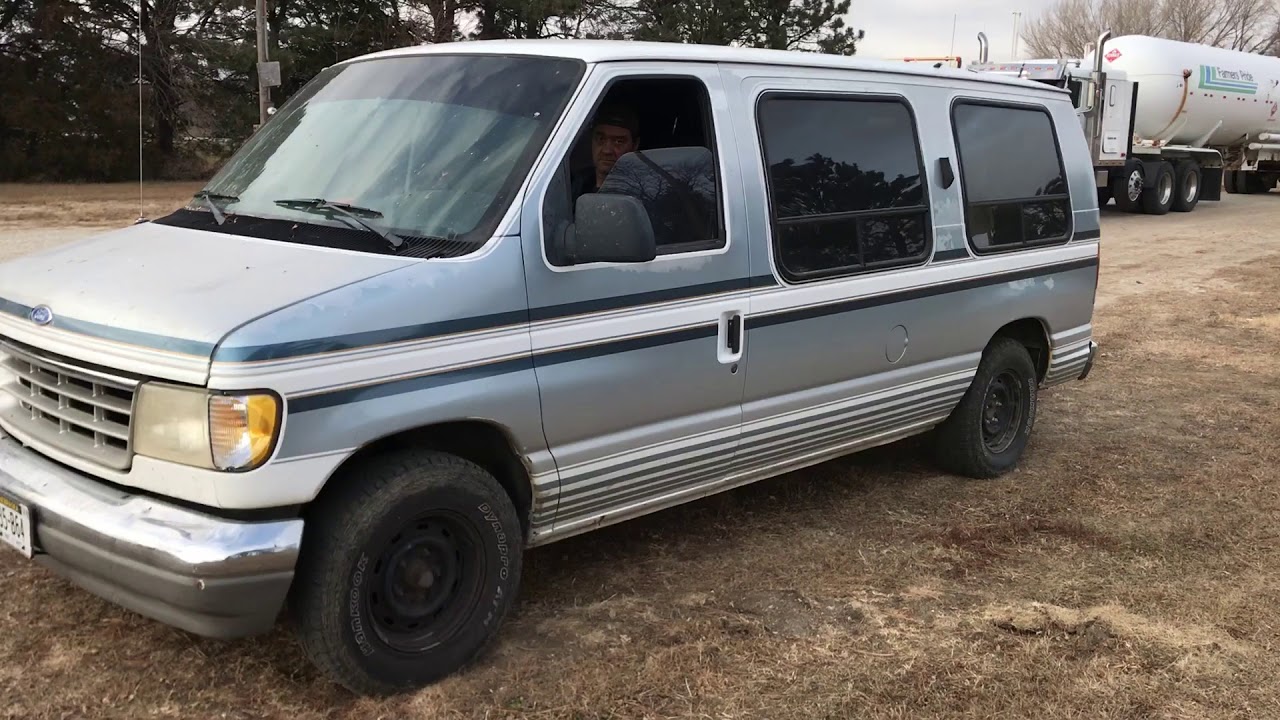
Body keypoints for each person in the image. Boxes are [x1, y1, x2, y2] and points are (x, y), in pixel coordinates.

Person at [574, 104, 640, 200]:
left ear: (635, 145)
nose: (607, 150)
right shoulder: (574, 185)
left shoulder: (640, 193)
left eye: (618, 142)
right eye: (601, 139)